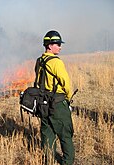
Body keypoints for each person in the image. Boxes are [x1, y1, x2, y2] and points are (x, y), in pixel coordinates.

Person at [35, 30, 74, 164]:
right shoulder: (56, 62)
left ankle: (49, 161)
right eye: (57, 43)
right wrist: (67, 99)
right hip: (57, 104)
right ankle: (67, 162)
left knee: (47, 135)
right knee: (65, 135)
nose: (60, 46)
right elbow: (66, 83)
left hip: (43, 104)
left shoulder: (39, 60)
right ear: (49, 45)